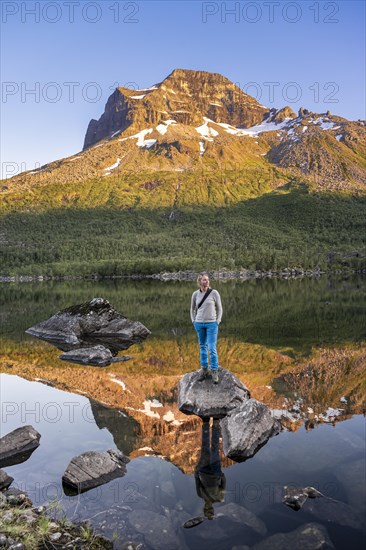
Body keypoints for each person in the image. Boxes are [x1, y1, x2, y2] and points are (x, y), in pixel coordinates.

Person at [190, 273, 222, 384]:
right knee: (202, 347)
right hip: (199, 324)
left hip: (212, 324)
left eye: (207, 280)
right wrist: (193, 321)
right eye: (204, 280)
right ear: (200, 282)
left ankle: (214, 370)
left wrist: (217, 321)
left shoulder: (214, 293)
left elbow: (220, 308)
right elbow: (192, 309)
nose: (207, 282)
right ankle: (204, 370)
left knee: (212, 348)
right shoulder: (195, 294)